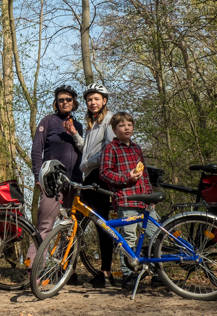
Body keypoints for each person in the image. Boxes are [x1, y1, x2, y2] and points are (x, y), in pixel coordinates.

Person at [26, 85, 83, 282]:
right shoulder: (48, 121)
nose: (65, 102)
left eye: (68, 99)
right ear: (56, 103)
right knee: (45, 226)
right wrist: (37, 177)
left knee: (70, 228)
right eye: (61, 100)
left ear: (74, 102)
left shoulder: (79, 125)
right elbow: (36, 151)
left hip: (74, 182)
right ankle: (33, 270)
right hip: (52, 182)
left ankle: (63, 269)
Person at [99, 111, 159, 289]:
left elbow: (145, 175)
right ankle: (128, 276)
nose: (126, 128)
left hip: (144, 201)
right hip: (126, 200)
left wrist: (150, 196)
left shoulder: (136, 148)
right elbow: (105, 173)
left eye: (129, 125)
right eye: (122, 125)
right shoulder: (111, 148)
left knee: (156, 235)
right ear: (114, 129)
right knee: (128, 238)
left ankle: (158, 273)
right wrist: (126, 177)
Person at [66, 83, 115, 288]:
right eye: (89, 100)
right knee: (76, 220)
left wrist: (87, 163)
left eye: (96, 99)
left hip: (100, 177)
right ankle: (68, 270)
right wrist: (74, 134)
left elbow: (110, 149)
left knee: (101, 224)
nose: (92, 103)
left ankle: (105, 273)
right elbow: (85, 149)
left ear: (104, 101)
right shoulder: (92, 124)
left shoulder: (110, 120)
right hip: (89, 177)